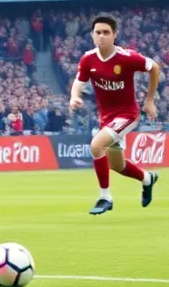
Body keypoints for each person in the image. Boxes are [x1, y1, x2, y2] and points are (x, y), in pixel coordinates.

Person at [69, 14, 161, 215]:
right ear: (92, 35)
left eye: (105, 32)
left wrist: (150, 100)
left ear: (114, 35)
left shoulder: (127, 58)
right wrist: (74, 96)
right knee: (117, 166)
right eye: (97, 32)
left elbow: (154, 67)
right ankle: (147, 178)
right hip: (107, 118)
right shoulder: (88, 59)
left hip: (127, 115)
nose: (100, 36)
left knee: (96, 145)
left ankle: (105, 197)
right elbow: (79, 81)